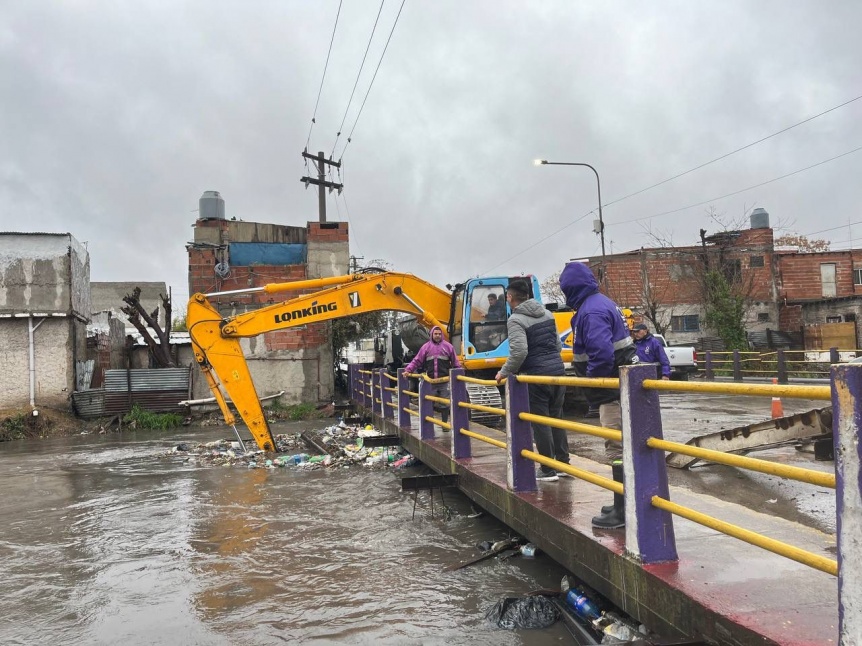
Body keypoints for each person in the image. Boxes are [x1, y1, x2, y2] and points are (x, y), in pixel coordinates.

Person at [559, 262, 637, 528]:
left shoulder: (590, 311)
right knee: (623, 445)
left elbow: (602, 354)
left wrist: (592, 381)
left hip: (611, 391)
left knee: (616, 447)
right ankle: (623, 501)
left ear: (570, 289)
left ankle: (623, 510)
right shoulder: (602, 303)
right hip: (619, 386)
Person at [494, 279, 569, 482]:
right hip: (558, 373)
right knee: (556, 417)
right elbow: (557, 345)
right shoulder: (547, 313)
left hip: (537, 375)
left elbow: (519, 352)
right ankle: (563, 464)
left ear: (510, 297)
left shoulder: (516, 320)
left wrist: (503, 372)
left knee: (540, 421)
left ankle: (547, 469)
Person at [403, 325, 462, 426]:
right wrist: (408, 370)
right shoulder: (426, 347)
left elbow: (455, 362)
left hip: (444, 381)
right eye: (436, 334)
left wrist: (460, 373)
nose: (438, 336)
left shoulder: (448, 347)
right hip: (430, 381)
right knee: (429, 402)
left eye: (439, 334)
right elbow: (417, 360)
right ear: (432, 334)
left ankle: (444, 424)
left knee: (445, 403)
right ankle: (429, 424)